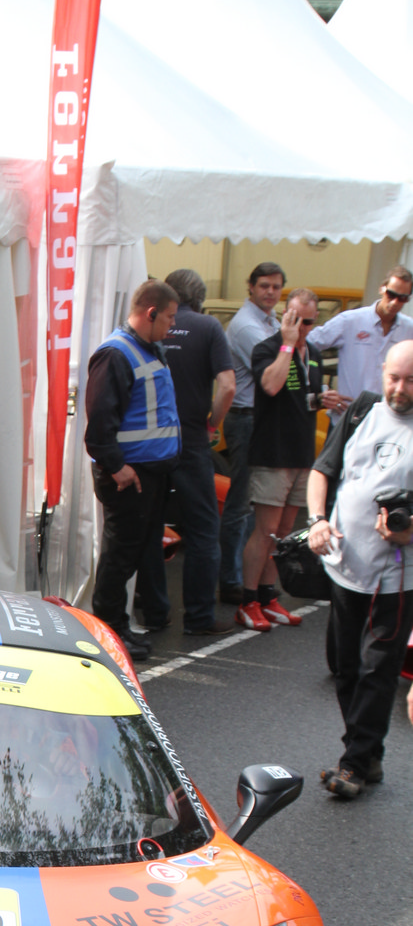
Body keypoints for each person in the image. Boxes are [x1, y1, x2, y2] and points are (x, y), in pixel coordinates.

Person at [309, 341, 413, 799]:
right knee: (347, 667)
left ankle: (352, 764)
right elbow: (322, 470)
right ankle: (368, 754)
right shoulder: (362, 412)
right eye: (394, 378)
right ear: (382, 372)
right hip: (345, 566)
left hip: (398, 577)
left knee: (378, 669)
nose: (400, 389)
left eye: (411, 381)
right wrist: (317, 520)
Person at [237, 289, 346, 632]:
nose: (303, 328)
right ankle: (247, 600)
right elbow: (271, 386)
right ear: (286, 315)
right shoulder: (268, 348)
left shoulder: (312, 352)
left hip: (301, 453)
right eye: (297, 320)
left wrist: (321, 399)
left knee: (283, 534)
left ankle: (268, 596)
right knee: (265, 531)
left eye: (310, 322)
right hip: (272, 453)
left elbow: (301, 397)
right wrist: (286, 344)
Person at [85, 280, 181, 662]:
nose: (173, 326)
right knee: (120, 556)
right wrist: (117, 467)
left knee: (131, 553)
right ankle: (107, 632)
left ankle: (116, 628)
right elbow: (99, 423)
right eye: (170, 318)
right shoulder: (117, 354)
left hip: (145, 472)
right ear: (151, 313)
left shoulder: (144, 349)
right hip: (130, 475)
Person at [136, 267, 235, 636]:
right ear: (200, 298)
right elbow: (227, 386)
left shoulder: (150, 328)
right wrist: (212, 423)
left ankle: (155, 611)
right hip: (191, 439)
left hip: (151, 441)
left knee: (150, 526)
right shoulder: (209, 328)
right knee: (204, 529)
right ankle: (199, 616)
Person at [220, 263, 286, 603]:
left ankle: (246, 575)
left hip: (259, 418)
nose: (270, 292)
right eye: (264, 286)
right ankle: (231, 579)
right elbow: (276, 371)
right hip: (246, 417)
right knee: (241, 502)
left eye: (276, 286)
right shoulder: (247, 325)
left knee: (256, 503)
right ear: (251, 287)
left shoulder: (272, 322)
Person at [307, 267, 413, 423]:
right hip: (347, 418)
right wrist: (322, 391)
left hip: (385, 421)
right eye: (391, 294)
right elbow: (306, 345)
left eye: (402, 298)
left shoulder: (409, 329)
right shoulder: (350, 321)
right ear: (382, 289)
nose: (395, 302)